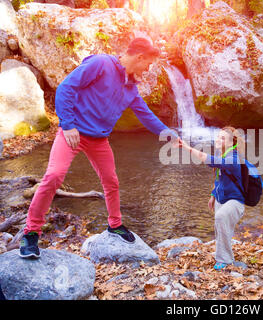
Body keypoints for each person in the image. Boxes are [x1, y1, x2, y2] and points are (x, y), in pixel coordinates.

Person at [19, 38, 179, 259]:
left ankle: (115, 225)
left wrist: (168, 134)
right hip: (72, 133)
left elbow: (146, 115)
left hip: (99, 140)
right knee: (54, 175)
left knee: (111, 181)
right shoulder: (101, 64)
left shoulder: (130, 88)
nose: (148, 69)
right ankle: (30, 233)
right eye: (148, 64)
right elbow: (66, 87)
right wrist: (68, 124)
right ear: (140, 57)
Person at [177, 127, 245, 270]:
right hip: (221, 198)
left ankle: (225, 260)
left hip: (235, 201)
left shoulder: (233, 158)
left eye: (222, 138)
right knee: (220, 228)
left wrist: (187, 147)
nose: (218, 140)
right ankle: (224, 256)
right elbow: (219, 178)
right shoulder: (222, 152)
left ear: (231, 142)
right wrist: (213, 195)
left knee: (220, 218)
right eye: (218, 137)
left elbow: (210, 160)